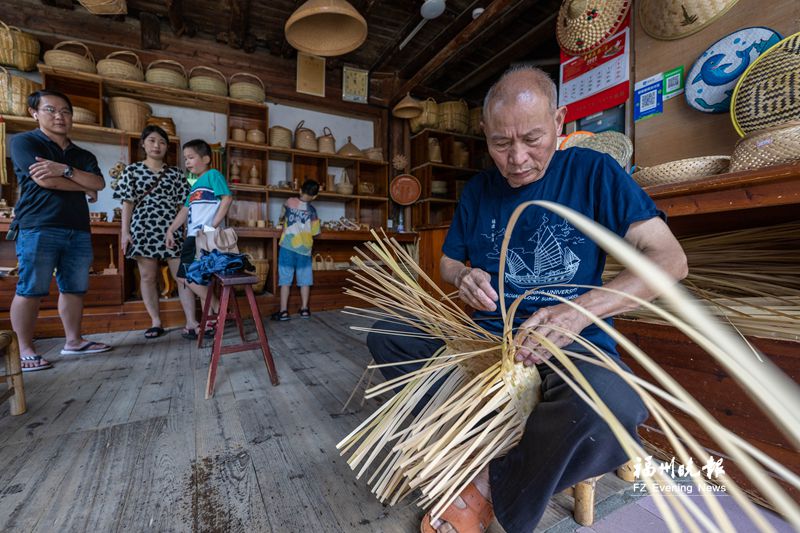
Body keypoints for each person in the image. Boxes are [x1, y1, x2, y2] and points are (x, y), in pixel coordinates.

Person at [366, 66, 688, 533]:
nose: (517, 158)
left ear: (559, 121)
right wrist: (464, 277)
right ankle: (467, 437)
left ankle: (489, 486)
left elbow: (670, 260)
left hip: (571, 344)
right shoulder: (479, 190)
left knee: (614, 410)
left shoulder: (594, 173)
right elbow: (449, 261)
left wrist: (577, 312)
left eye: (533, 139)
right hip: (485, 339)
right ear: (485, 133)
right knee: (388, 335)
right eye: (501, 143)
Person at [9, 90, 113, 372]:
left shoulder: (82, 154)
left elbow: (99, 184)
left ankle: (74, 341)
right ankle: (24, 350)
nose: (59, 116)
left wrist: (64, 170)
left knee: (75, 287)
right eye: (51, 110)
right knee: (31, 288)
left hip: (77, 227)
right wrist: (82, 185)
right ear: (34, 113)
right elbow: (46, 182)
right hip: (38, 224)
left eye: (65, 111)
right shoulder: (25, 142)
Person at [114, 125, 198, 339]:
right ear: (143, 144)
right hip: (143, 229)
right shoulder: (131, 171)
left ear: (167, 147)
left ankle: (191, 321)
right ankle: (156, 321)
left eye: (161, 142)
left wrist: (186, 231)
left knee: (182, 276)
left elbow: (185, 205)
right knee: (148, 276)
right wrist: (125, 232)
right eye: (151, 140)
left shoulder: (176, 174)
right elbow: (127, 203)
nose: (156, 145)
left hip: (172, 229)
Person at [164, 139, 232, 338]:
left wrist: (212, 226)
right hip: (193, 236)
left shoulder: (213, 175)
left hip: (201, 236)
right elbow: (185, 210)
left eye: (191, 157)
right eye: (185, 159)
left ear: (206, 159)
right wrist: (171, 229)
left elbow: (227, 198)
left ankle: (218, 306)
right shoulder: (194, 186)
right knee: (201, 279)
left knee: (183, 276)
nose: (187, 162)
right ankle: (208, 324)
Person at [271, 179, 320, 321]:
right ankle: (304, 309)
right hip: (304, 249)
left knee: (285, 280)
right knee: (305, 279)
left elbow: (281, 217)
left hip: (287, 246)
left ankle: (283, 312)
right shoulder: (313, 211)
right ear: (315, 196)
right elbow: (315, 232)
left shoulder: (289, 202)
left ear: (300, 190)